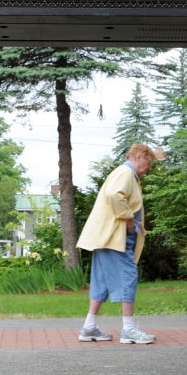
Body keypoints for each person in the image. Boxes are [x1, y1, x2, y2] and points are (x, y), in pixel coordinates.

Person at [76, 142, 165, 345]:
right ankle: (129, 329)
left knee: (102, 280)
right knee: (127, 275)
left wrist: (133, 223)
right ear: (139, 157)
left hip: (105, 236)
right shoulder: (125, 173)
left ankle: (89, 327)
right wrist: (127, 219)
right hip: (116, 236)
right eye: (149, 162)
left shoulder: (126, 174)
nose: (149, 168)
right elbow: (114, 195)